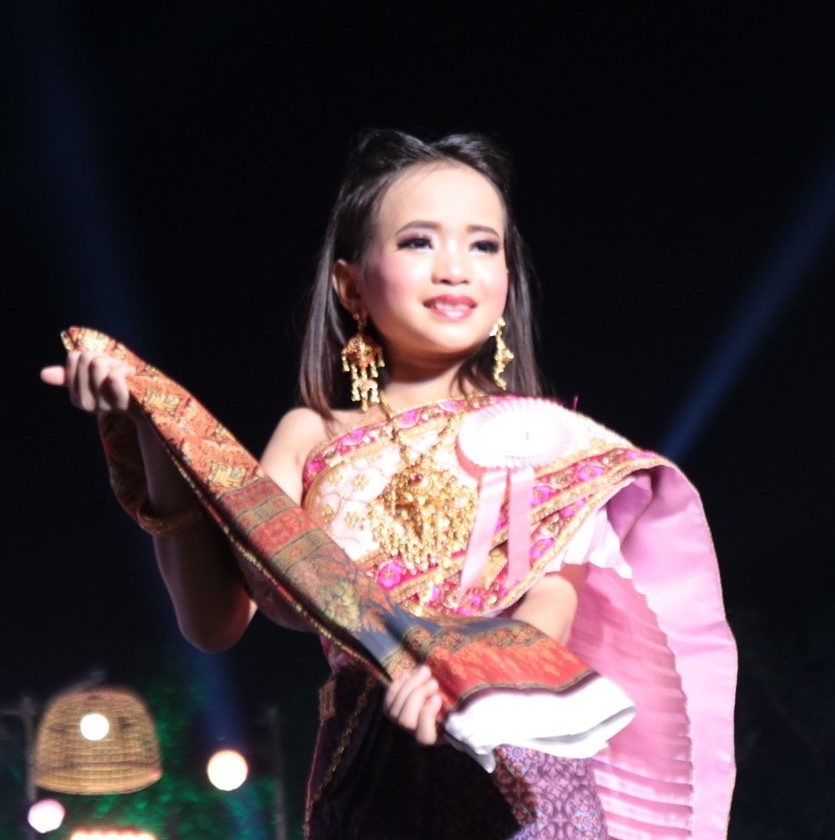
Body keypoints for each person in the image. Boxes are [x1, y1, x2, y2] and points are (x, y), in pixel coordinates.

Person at [43, 129, 737, 838]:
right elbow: (214, 623)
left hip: (519, 781)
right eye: (418, 242)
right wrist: (154, 426)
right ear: (351, 285)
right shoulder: (311, 436)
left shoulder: (549, 441)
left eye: (483, 245)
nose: (454, 269)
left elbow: (550, 606)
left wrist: (461, 679)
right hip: (367, 779)